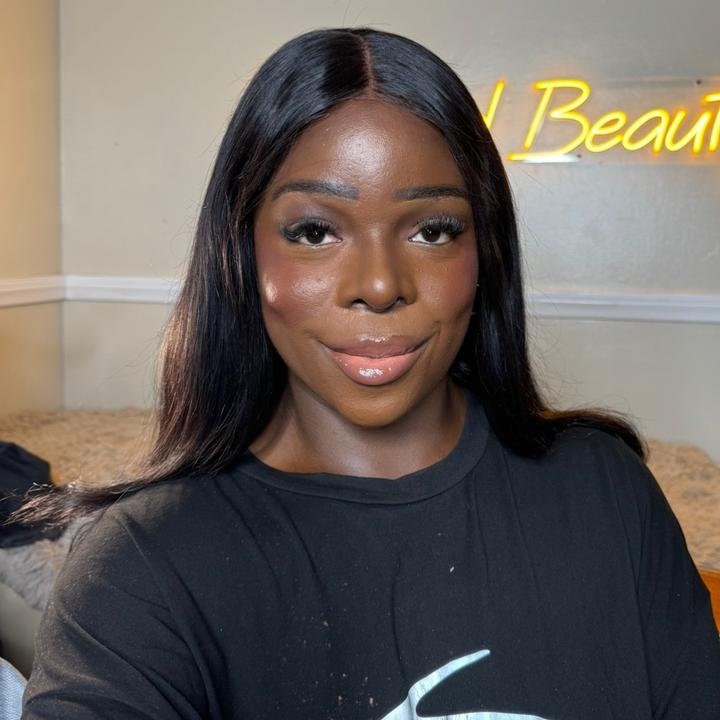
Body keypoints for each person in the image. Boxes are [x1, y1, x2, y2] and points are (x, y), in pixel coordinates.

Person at [12, 27, 720, 719]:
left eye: (432, 230)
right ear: (243, 254)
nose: (379, 285)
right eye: (314, 232)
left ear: (484, 251)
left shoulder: (605, 495)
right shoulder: (139, 570)